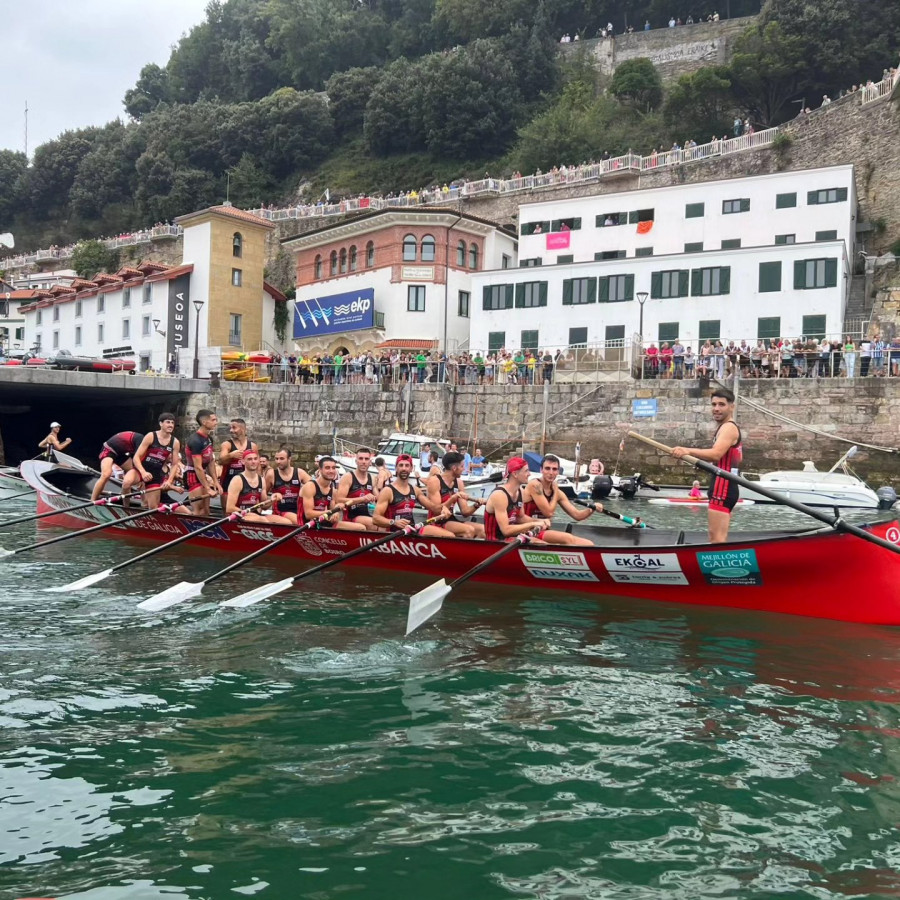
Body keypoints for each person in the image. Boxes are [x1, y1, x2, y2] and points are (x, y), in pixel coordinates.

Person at [671, 388, 742, 543]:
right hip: (723, 486)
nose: (716, 408)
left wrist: (686, 450)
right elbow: (724, 459)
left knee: (716, 539)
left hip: (723, 488)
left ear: (731, 407)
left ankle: (719, 566)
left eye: (721, 404)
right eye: (714, 404)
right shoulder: (724, 428)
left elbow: (716, 454)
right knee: (715, 537)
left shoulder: (729, 428)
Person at [520, 455, 602, 546]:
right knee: (568, 538)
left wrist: (592, 508)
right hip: (527, 530)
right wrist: (555, 491)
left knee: (588, 544)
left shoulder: (557, 492)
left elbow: (577, 515)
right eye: (547, 468)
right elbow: (549, 513)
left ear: (558, 471)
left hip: (542, 530)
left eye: (554, 469)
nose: (551, 472)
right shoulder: (534, 485)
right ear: (541, 470)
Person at [372, 454, 449, 536]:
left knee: (449, 535)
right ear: (396, 468)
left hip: (411, 531)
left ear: (411, 468)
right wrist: (394, 522)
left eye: (407, 465)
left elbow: (433, 508)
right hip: (394, 534)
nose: (404, 468)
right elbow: (375, 519)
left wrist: (443, 508)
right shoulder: (387, 491)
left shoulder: (415, 490)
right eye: (401, 465)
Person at [484, 457, 553, 543]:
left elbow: (520, 518)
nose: (529, 474)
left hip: (512, 540)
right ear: (515, 474)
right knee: (541, 544)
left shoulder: (520, 491)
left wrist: (540, 521)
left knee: (544, 544)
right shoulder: (499, 495)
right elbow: (505, 530)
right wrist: (533, 524)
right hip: (495, 543)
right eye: (526, 471)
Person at [426, 451, 484, 539]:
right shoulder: (435, 481)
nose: (464, 469)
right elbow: (437, 511)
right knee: (469, 530)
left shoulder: (459, 483)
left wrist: (476, 505)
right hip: (436, 521)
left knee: (483, 530)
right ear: (454, 468)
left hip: (451, 520)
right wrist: (453, 498)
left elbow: (465, 512)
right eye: (462, 466)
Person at [299, 456, 367, 531]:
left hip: (322, 522)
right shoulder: (310, 486)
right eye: (327, 468)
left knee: (361, 528)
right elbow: (308, 514)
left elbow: (332, 510)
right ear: (320, 470)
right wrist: (330, 512)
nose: (331, 471)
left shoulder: (333, 491)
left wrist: (335, 513)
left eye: (333, 468)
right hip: (306, 525)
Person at [225, 449, 291, 524]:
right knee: (262, 520)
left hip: (255, 515)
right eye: (249, 459)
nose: (253, 462)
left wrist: (273, 499)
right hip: (239, 515)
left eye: (255, 459)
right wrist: (251, 514)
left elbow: (264, 506)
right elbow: (229, 508)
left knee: (286, 522)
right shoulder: (237, 480)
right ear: (243, 462)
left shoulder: (261, 480)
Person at [131, 412, 181, 509]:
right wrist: (143, 472)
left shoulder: (175, 442)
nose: (171, 425)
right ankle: (125, 507)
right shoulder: (151, 436)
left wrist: (170, 481)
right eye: (168, 422)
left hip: (155, 474)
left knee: (153, 506)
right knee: (126, 483)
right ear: (161, 423)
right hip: (141, 470)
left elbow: (175, 464)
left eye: (172, 423)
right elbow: (136, 457)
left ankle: (146, 508)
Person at [184, 409, 222, 515]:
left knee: (206, 511)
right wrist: (207, 488)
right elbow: (198, 467)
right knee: (199, 510)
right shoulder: (195, 440)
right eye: (213, 420)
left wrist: (215, 481)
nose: (216, 422)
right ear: (204, 422)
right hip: (192, 475)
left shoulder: (209, 438)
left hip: (202, 475)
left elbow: (210, 461)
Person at [91, 430, 144, 501]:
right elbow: (137, 459)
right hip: (109, 450)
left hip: (122, 453)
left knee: (136, 473)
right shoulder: (142, 441)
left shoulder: (144, 443)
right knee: (106, 475)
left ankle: (127, 493)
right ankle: (93, 500)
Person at [335, 446, 379, 530]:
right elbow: (339, 500)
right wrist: (362, 499)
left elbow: (379, 499)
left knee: (383, 525)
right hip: (351, 515)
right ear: (356, 461)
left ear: (370, 462)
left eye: (366, 459)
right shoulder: (348, 477)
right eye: (361, 459)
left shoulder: (372, 478)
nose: (363, 462)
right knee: (373, 523)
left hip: (367, 513)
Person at [266, 445, 310, 525]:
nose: (278, 462)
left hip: (297, 509)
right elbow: (263, 497)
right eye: (276, 459)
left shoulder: (300, 473)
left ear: (289, 459)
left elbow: (315, 487)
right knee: (298, 521)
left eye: (282, 459)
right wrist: (272, 498)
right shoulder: (271, 474)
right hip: (280, 510)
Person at [218, 418, 258, 493]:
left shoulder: (253, 446)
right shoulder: (227, 444)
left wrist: (259, 482)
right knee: (227, 505)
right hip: (228, 480)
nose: (231, 430)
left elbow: (257, 466)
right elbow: (220, 461)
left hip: (247, 481)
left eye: (234, 428)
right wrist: (231, 455)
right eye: (230, 428)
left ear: (242, 429)